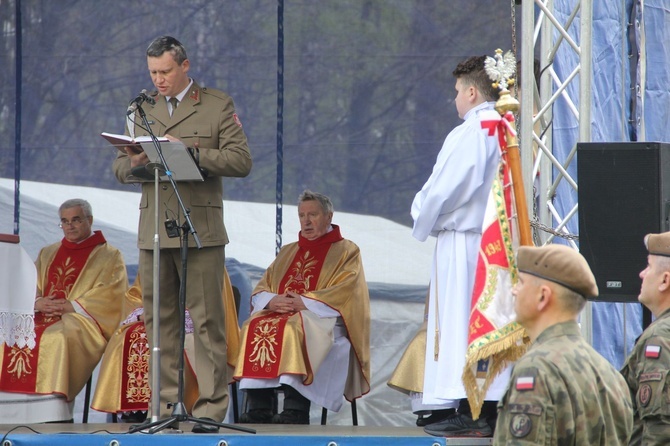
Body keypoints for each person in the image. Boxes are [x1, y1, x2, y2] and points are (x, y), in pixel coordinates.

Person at [112, 35, 252, 433]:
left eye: (166, 71)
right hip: (154, 228)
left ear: (185, 66)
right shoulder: (142, 109)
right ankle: (165, 406)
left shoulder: (215, 104)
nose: (159, 79)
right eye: (153, 72)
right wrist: (136, 161)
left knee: (208, 321)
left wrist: (187, 152)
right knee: (160, 321)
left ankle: (209, 409)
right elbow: (120, 171)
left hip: (199, 227)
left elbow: (240, 160)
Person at [410, 55, 508, 436]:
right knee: (488, 322)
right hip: (493, 241)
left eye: (456, 92)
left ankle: (471, 408)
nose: (454, 100)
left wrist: (421, 210)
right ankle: (488, 404)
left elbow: (444, 190)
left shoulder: (474, 130)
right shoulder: (505, 126)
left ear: (471, 91)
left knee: (463, 322)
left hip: (467, 243)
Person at [233, 190, 370, 425]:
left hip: (324, 320)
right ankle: (260, 406)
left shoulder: (347, 250)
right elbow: (262, 287)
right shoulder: (288, 250)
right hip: (284, 314)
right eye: (301, 215)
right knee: (253, 324)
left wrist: (304, 302)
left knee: (294, 326)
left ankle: (295, 408)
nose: (306, 221)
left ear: (329, 216)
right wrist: (272, 300)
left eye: (313, 215)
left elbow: (347, 291)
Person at [0, 198, 128, 423]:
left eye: (76, 220)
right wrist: (37, 302)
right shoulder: (48, 252)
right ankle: (9, 410)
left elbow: (111, 294)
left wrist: (72, 305)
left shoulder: (109, 255)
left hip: (81, 318)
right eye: (64, 221)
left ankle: (52, 412)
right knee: (9, 337)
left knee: (56, 337)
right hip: (40, 314)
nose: (69, 226)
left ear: (89, 220)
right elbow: (29, 284)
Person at [491, 244, 633, 444]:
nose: (514, 291)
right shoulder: (610, 374)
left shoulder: (537, 368)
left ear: (543, 296)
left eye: (521, 282)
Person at [91, 271, 240, 423]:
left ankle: (190, 408)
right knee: (132, 336)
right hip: (156, 318)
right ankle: (143, 411)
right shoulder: (156, 258)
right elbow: (136, 295)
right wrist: (145, 313)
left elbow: (213, 305)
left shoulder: (209, 261)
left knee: (183, 340)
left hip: (192, 323)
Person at [620, 232, 670, 445]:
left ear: (665, 280)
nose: (642, 274)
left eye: (648, 266)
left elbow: (659, 432)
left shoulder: (659, 339)